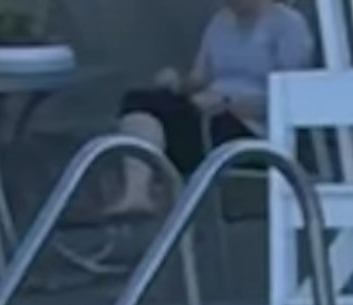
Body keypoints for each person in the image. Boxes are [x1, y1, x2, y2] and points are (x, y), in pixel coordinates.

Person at [117, 0, 315, 198]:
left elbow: (291, 100)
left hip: (250, 127)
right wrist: (176, 83)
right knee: (139, 102)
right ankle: (136, 192)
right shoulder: (220, 22)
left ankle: (153, 189)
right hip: (205, 113)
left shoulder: (288, 26)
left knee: (198, 123)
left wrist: (229, 105)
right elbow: (199, 78)